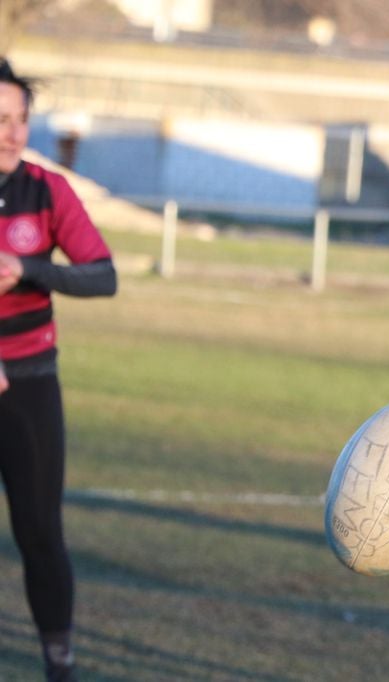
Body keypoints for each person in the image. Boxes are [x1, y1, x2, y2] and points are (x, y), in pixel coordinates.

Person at [0, 58, 118, 682]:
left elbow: (103, 275)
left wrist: (30, 270)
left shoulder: (47, 191)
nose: (12, 132)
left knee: (40, 535)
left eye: (21, 119)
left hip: (30, 386)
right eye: (0, 119)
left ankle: (59, 666)